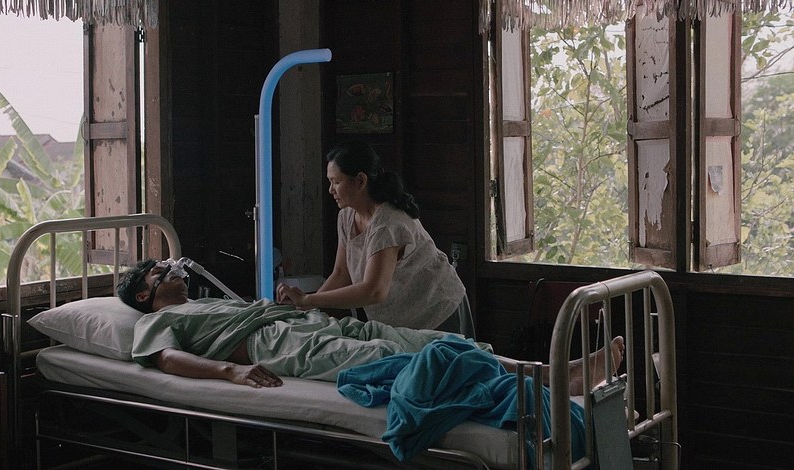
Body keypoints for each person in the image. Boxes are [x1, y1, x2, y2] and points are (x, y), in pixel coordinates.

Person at [118, 258, 625, 391]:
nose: (173, 269)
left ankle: (548, 372)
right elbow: (165, 360)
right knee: (406, 360)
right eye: (161, 270)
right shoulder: (160, 321)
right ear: (145, 293)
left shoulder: (206, 303)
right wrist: (231, 372)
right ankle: (553, 380)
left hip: (314, 325)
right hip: (280, 346)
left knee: (439, 340)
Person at [276, 141, 470, 335]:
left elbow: (374, 291)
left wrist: (308, 299)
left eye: (336, 182)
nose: (330, 190)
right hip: (402, 320)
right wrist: (308, 307)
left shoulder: (388, 223)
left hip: (437, 310)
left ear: (360, 181)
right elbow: (342, 273)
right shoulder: (346, 216)